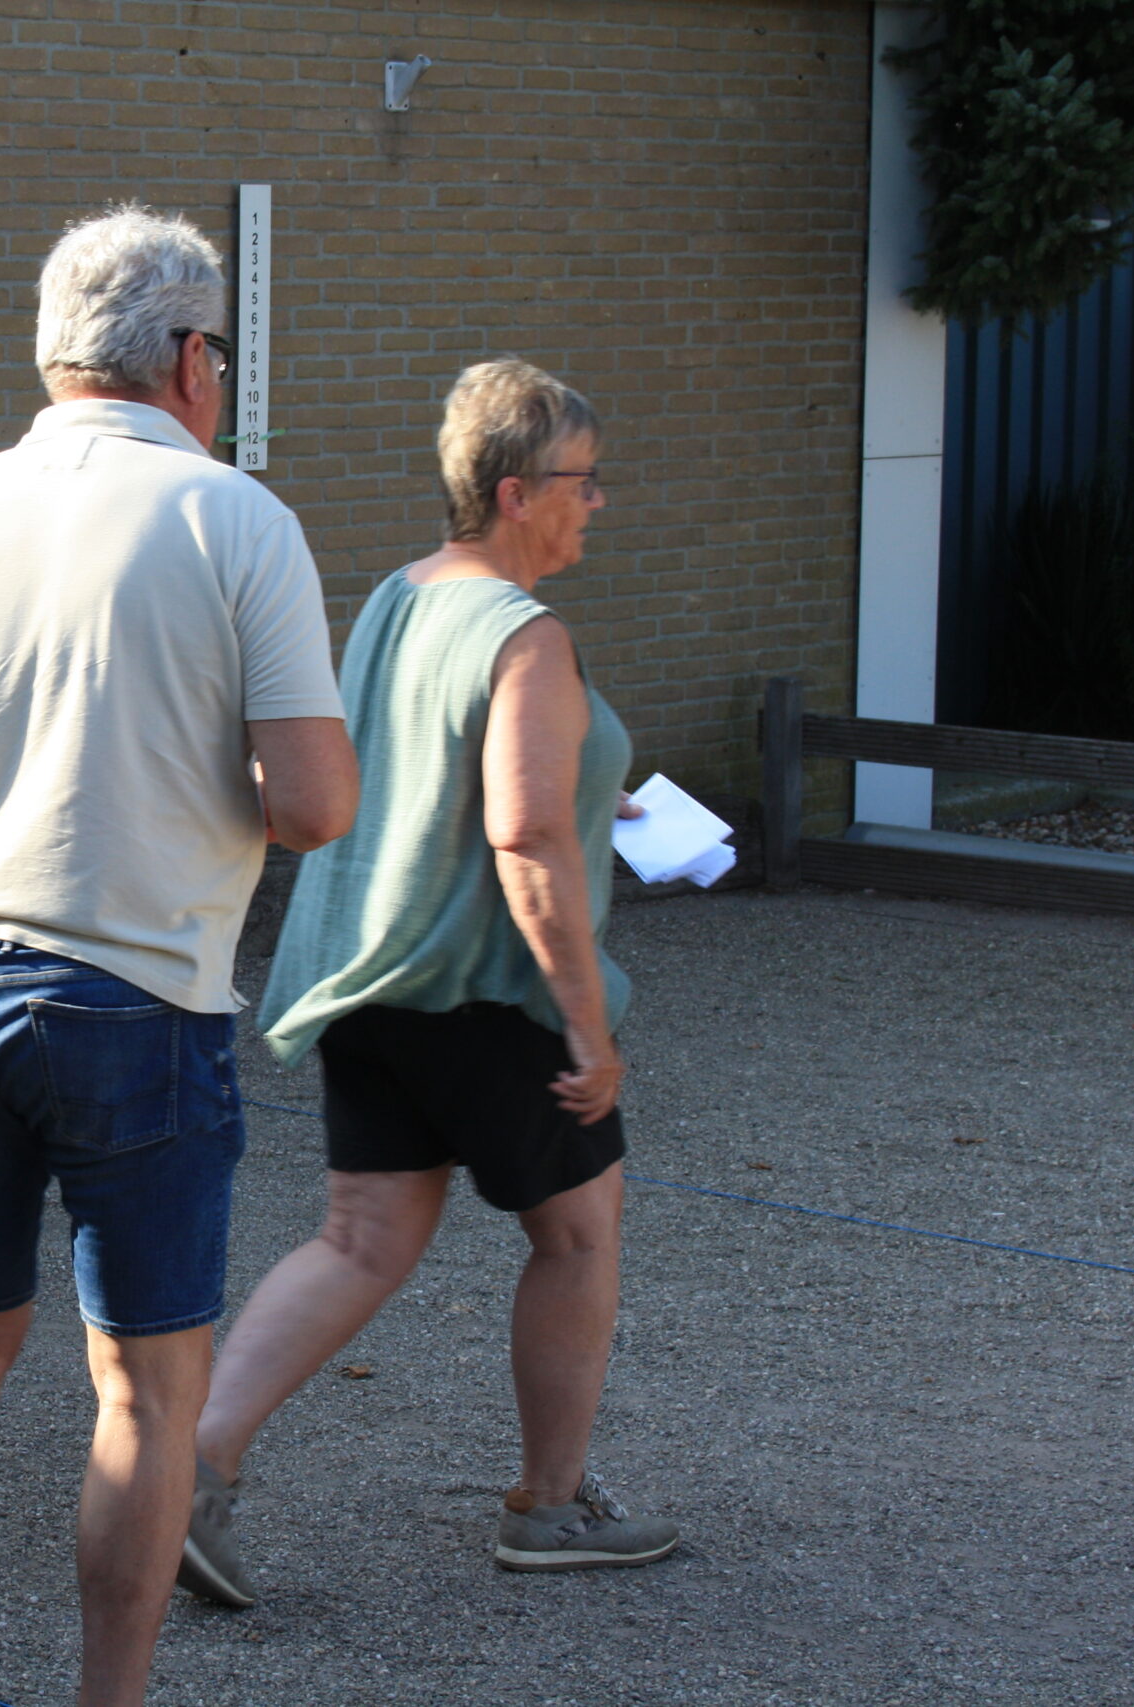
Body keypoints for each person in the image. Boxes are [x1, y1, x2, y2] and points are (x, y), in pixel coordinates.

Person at [0, 205, 356, 1707]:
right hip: (132, 996)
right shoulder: (237, 520)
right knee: (147, 1390)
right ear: (189, 358)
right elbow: (316, 804)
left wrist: (23, 795)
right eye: (220, 351)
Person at [176, 358, 678, 1609]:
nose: (596, 501)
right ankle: (548, 1507)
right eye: (581, 480)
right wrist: (585, 1024)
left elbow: (431, 768)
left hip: (368, 982)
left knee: (359, 1241)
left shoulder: (401, 598)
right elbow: (523, 836)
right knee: (578, 1236)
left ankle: (188, 1469)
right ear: (515, 492)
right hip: (487, 994)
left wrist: (593, 793)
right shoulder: (525, 634)